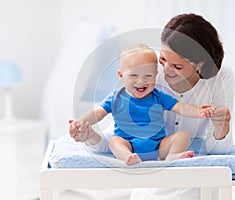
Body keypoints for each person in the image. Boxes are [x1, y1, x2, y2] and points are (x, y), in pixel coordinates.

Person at [129, 13, 235, 199]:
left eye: (177, 66)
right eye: (162, 60)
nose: (166, 70)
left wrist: (221, 129)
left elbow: (217, 153)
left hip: (195, 177)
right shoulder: (150, 74)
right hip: (152, 178)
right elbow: (122, 127)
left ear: (200, 64)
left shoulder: (221, 79)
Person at [69, 43, 215, 166]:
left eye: (148, 76)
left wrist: (200, 111)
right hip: (129, 145)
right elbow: (98, 113)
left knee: (183, 135)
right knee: (114, 141)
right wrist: (80, 122)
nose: (141, 82)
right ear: (121, 76)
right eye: (133, 75)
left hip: (158, 147)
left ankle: (172, 157)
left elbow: (181, 108)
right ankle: (127, 157)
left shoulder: (159, 96)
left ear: (155, 75)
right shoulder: (116, 97)